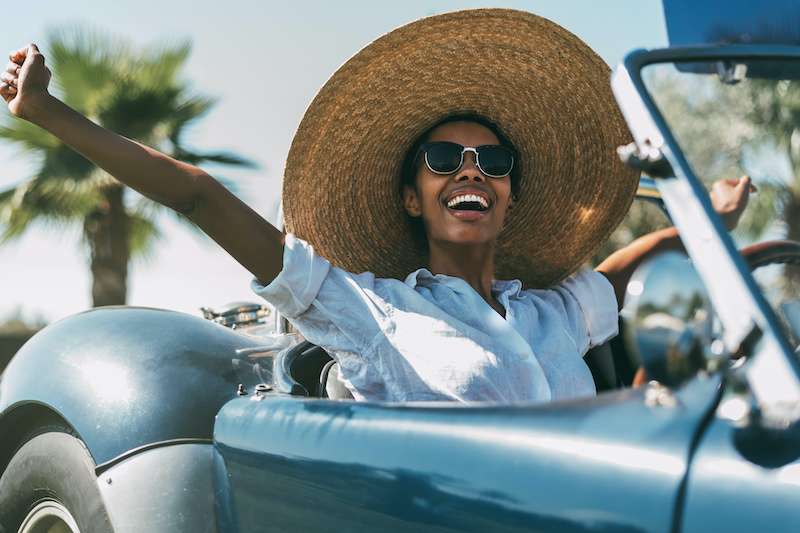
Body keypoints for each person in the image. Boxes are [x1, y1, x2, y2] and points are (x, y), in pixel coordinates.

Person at [0, 9, 750, 402]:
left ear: (509, 191)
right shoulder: (369, 311)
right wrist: (51, 113)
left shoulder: (551, 313)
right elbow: (200, 194)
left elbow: (617, 278)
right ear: (410, 196)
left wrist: (708, 220)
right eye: (444, 159)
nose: (472, 171)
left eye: (493, 161)